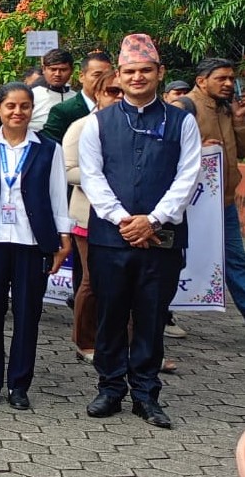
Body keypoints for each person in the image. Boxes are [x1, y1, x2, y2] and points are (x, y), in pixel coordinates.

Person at [78, 33, 200, 429]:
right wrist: (123, 220)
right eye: (130, 71)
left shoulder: (182, 121)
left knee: (151, 316)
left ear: (160, 73)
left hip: (161, 238)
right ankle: (110, 387)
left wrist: (154, 219)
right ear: (119, 74)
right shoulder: (98, 123)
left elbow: (188, 176)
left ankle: (146, 395)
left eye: (145, 70)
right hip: (110, 238)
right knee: (111, 314)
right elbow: (92, 177)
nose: (137, 77)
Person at [0, 83, 72, 410]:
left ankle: (19, 384)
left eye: (24, 106)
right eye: (10, 106)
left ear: (32, 110)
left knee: (27, 315)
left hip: (32, 242)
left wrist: (62, 237)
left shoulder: (48, 149)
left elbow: (57, 195)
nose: (17, 112)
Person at [175, 58, 245, 320]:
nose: (228, 83)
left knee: (236, 263)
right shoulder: (183, 107)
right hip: (190, 205)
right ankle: (158, 318)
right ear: (201, 81)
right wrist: (198, 149)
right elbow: (164, 149)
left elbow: (240, 151)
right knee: (178, 262)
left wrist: (239, 121)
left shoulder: (226, 109)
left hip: (223, 204)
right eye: (221, 78)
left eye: (231, 78)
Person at [65, 71, 122, 363]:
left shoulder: (138, 126)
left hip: (128, 218)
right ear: (98, 94)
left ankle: (126, 344)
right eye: (112, 91)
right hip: (88, 215)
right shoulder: (82, 126)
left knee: (127, 282)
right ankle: (84, 341)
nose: (118, 97)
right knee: (92, 280)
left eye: (122, 91)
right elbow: (69, 170)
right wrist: (107, 177)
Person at [42, 53, 113, 143]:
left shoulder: (118, 107)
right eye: (97, 75)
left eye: (107, 76)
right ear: (81, 77)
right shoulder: (63, 111)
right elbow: (50, 145)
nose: (103, 80)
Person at [31, 48, 76, 131]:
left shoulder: (76, 98)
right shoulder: (31, 96)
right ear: (44, 69)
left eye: (63, 70)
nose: (57, 74)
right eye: (53, 69)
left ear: (72, 70)